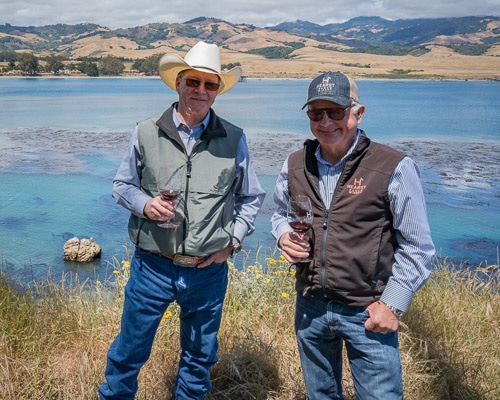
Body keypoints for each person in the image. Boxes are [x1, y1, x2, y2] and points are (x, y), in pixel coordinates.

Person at [98, 41, 265, 400]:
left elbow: (251, 198)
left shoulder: (234, 138)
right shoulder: (145, 131)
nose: (201, 91)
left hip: (208, 271)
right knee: (128, 354)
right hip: (152, 268)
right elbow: (122, 185)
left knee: (199, 359)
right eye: (193, 82)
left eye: (210, 84)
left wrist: (231, 242)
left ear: (217, 91)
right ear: (178, 83)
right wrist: (144, 205)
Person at [271, 71, 435, 399]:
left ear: (358, 113)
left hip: (367, 312)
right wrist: (282, 235)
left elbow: (418, 247)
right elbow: (280, 214)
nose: (326, 122)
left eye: (336, 112)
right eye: (317, 113)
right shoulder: (293, 165)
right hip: (311, 307)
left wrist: (392, 305)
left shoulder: (393, 166)